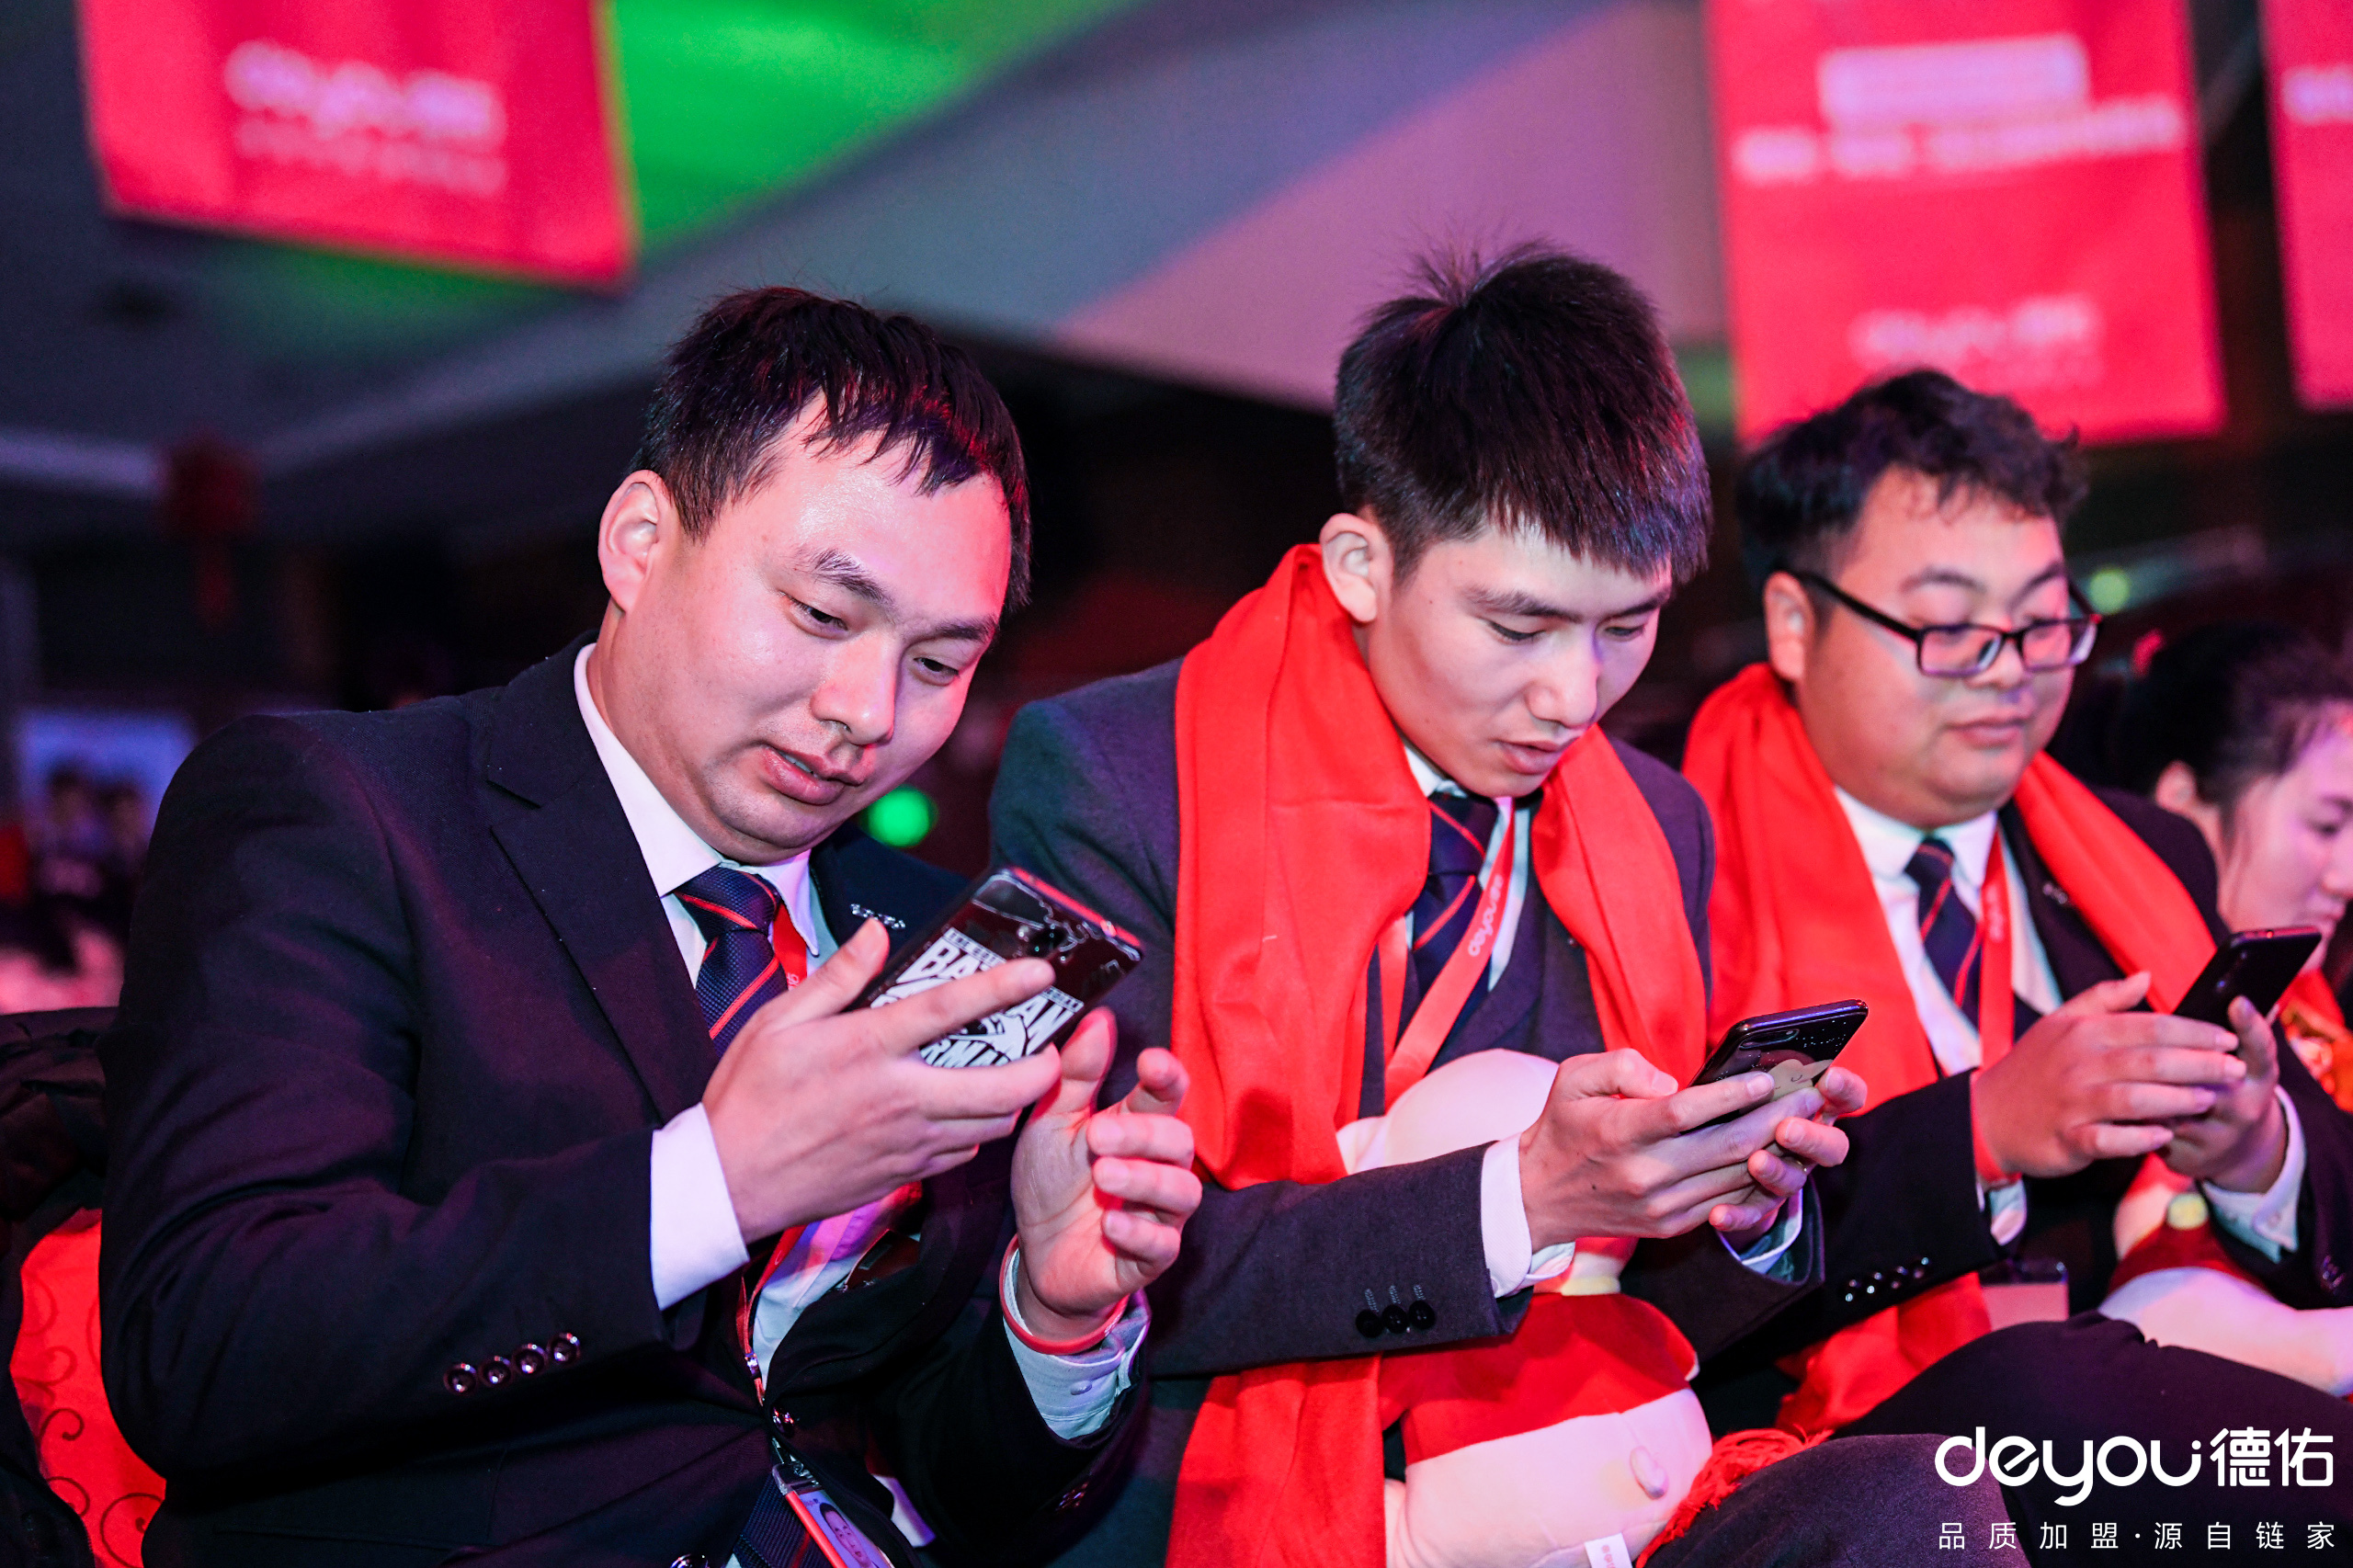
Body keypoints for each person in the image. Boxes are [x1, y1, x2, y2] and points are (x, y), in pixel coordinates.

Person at [97, 288, 1203, 1568]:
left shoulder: (917, 935)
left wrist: (1051, 1314)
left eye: (938, 663)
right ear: (638, 542)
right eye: (822, 614)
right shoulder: (343, 814)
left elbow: (926, 1466)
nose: (867, 710)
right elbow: (208, 1340)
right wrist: (712, 1184)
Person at [990, 249, 2012, 1568]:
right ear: (1362, 565)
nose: (1573, 696)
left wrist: (1736, 1203)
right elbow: (1115, 1259)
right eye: (1520, 627)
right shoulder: (1125, 780)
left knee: (1930, 1505)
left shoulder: (1658, 820)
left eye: (1626, 626)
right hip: (1251, 1510)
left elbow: (1656, 1317)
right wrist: (1520, 1198)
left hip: (1601, 1494)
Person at [1680, 370, 2353, 1555]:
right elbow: (1667, 1290)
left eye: (2043, 623)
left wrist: (2259, 1148)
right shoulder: (1678, 868)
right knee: (2047, 1394)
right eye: (1949, 627)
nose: (2009, 669)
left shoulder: (2142, 855)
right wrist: (1981, 1131)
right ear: (1793, 621)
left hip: (2158, 1438)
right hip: (1840, 1466)